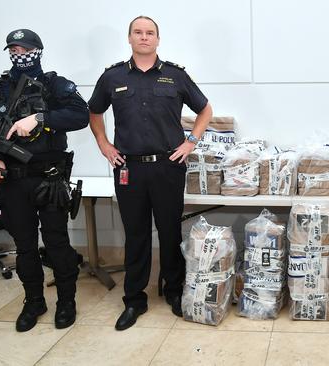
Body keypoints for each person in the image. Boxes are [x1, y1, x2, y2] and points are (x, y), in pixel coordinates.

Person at [88, 15, 212, 331]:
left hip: (168, 166)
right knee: (137, 233)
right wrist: (104, 144)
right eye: (138, 32)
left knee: (170, 231)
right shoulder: (112, 76)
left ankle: (173, 292)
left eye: (150, 33)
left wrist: (190, 143)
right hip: (128, 167)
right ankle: (134, 300)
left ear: (158, 39)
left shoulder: (175, 76)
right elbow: (94, 111)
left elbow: (205, 109)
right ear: (130, 38)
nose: (144, 37)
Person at [0, 29, 89, 331]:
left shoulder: (56, 85)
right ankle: (34, 300)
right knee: (25, 246)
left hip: (49, 179)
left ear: (37, 51)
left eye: (25, 48)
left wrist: (40, 119)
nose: (19, 53)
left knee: (56, 243)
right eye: (13, 49)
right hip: (12, 182)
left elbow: (81, 115)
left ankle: (67, 300)